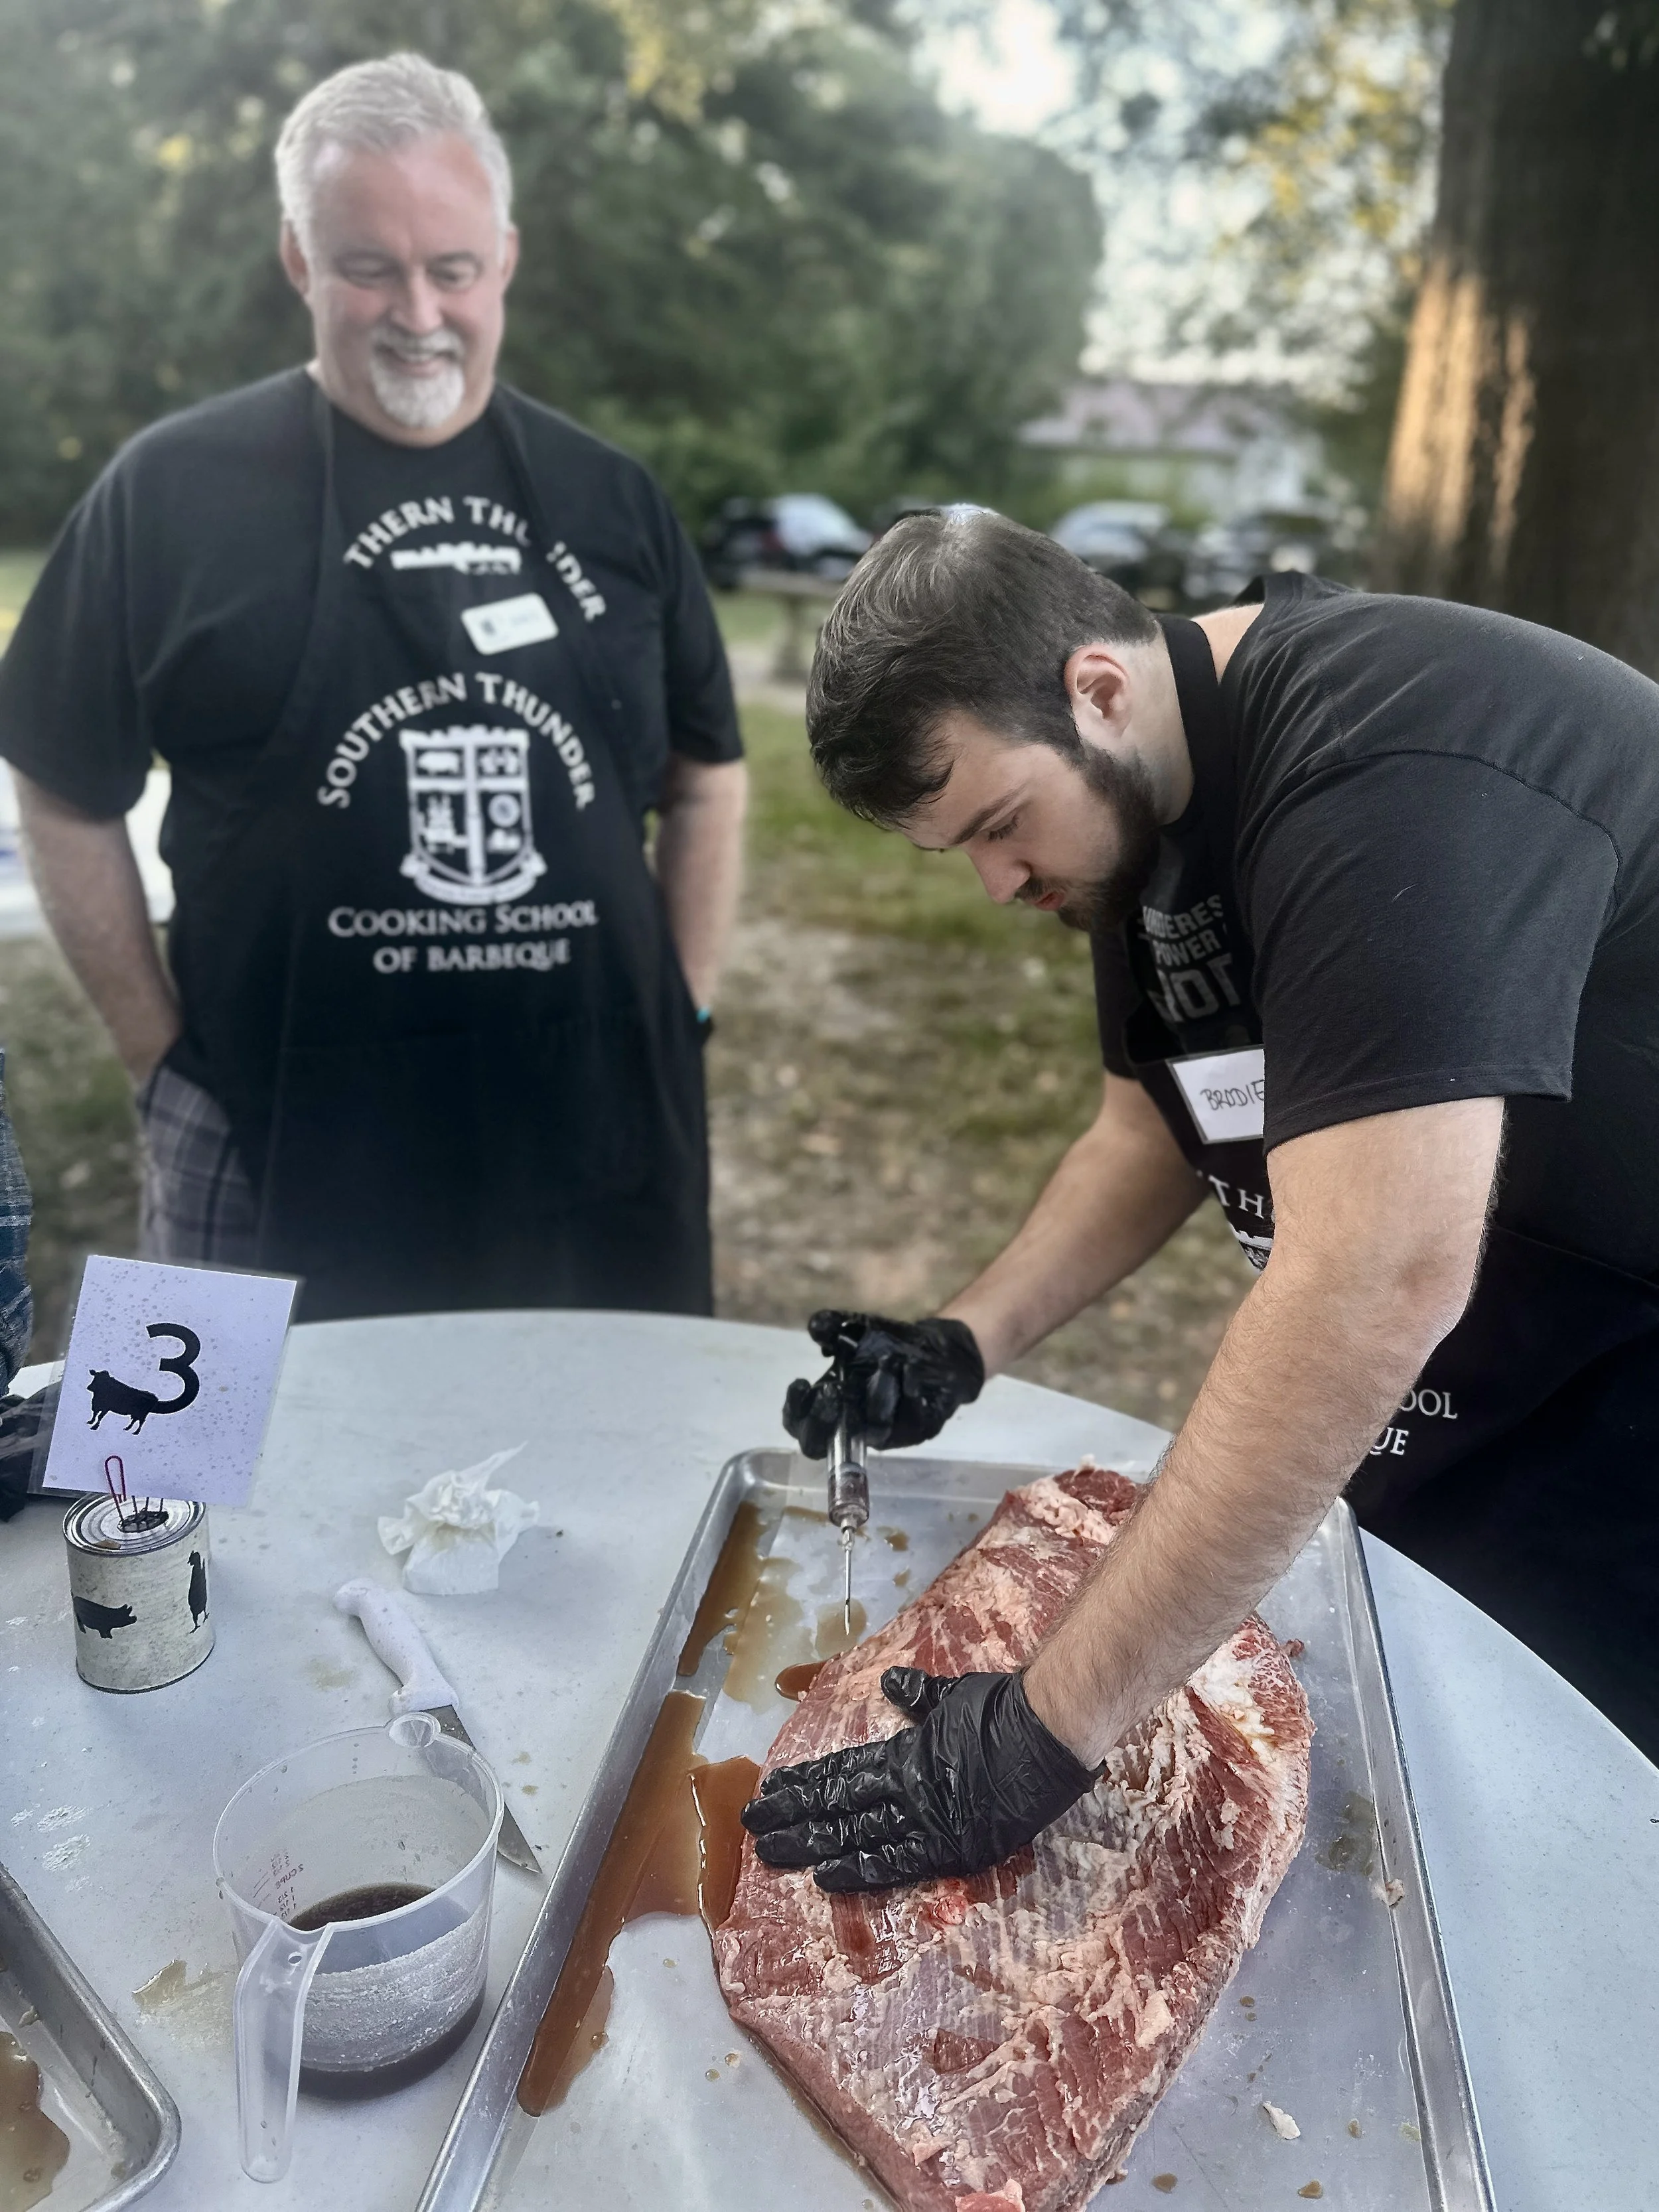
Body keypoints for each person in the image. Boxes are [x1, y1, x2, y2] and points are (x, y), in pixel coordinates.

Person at [746, 508, 1659, 1894]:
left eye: (997, 824)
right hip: (1471, 1381)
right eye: (958, 854)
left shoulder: (1383, 765)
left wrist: (1038, 1734)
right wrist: (958, 1342)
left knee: (1570, 1858)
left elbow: (1371, 1281)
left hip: (1620, 1393)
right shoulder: (1144, 811)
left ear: (1095, 685)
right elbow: (1155, 1126)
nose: (997, 885)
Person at [0, 54, 746, 1321]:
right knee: (175, 1493)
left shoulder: (611, 498)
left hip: (593, 1137)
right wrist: (159, 1058)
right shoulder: (167, 492)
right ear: (299, 259)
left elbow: (709, 775)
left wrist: (682, 1010)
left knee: (611, 1485)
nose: (418, 311)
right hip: (253, 1137)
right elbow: (58, 781)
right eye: (367, 268)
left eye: (452, 269)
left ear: (503, 258)